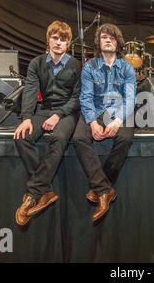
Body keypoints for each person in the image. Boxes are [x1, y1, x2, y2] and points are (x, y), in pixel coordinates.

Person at [14, 20, 81, 226]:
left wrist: (58, 115)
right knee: (22, 136)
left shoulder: (76, 65)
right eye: (55, 38)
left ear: (68, 43)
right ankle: (44, 191)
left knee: (59, 138)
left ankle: (33, 193)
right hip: (44, 110)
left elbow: (77, 98)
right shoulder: (36, 63)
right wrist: (26, 118)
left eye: (63, 39)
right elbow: (31, 92)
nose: (58, 42)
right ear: (48, 39)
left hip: (68, 112)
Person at [72, 23, 136, 223]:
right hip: (96, 110)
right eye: (104, 37)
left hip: (118, 111)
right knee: (79, 137)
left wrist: (117, 121)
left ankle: (101, 188)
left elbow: (130, 99)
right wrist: (92, 122)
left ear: (118, 43)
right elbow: (86, 97)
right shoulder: (90, 67)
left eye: (113, 38)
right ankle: (104, 191)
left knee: (125, 137)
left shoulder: (126, 67)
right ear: (99, 43)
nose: (108, 40)